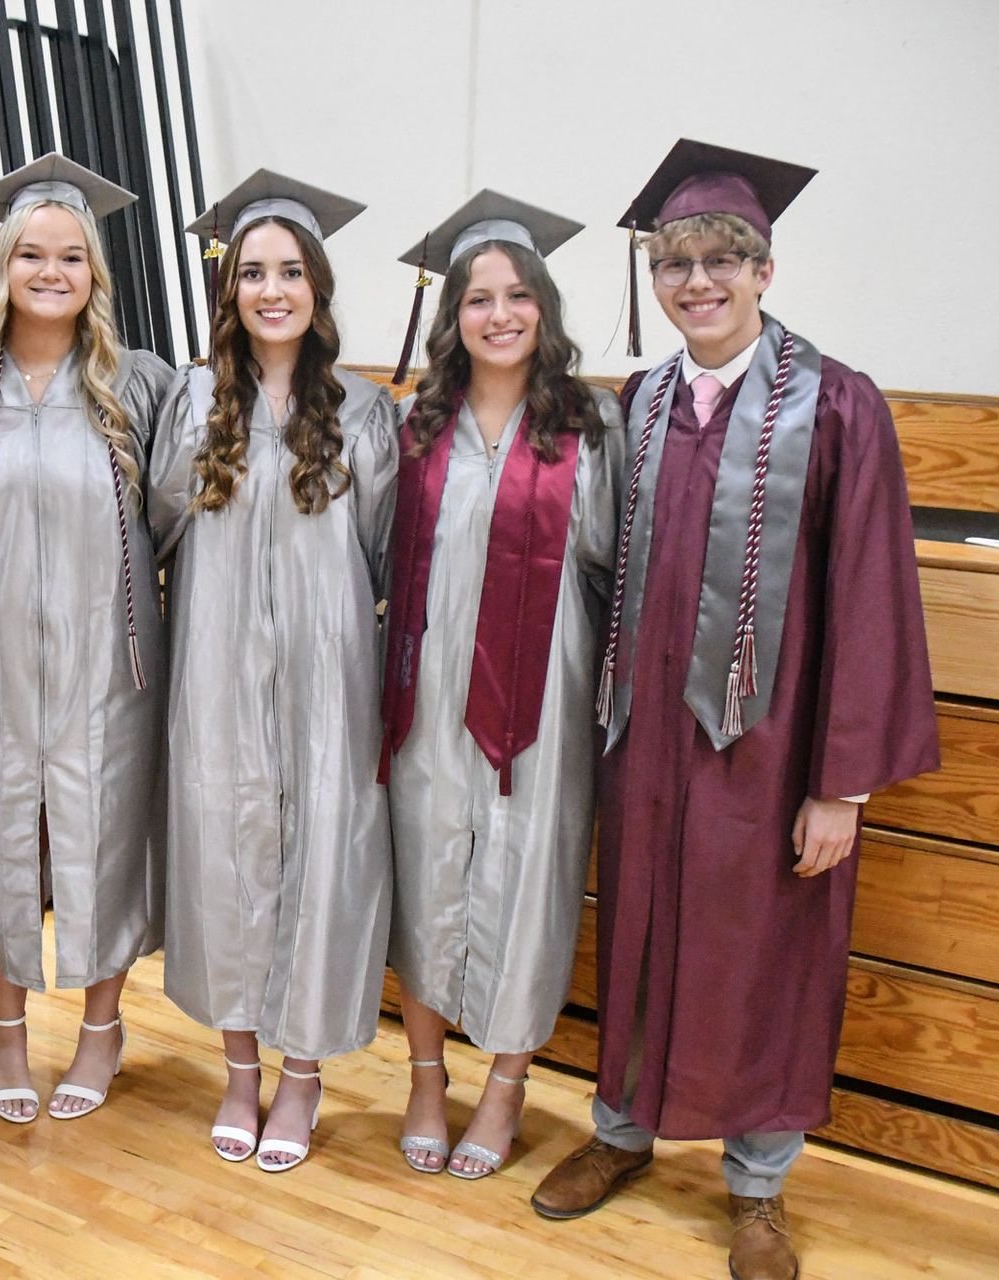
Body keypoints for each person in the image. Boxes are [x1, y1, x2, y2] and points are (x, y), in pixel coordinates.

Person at [529, 140, 938, 1280]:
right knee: (645, 928)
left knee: (769, 958)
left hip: (771, 754)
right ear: (654, 278)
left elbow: (871, 598)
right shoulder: (644, 404)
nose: (697, 282)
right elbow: (602, 572)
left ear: (765, 267)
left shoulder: (838, 403)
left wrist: (841, 785)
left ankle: (758, 1187)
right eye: (675, 263)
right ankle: (621, 1133)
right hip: (649, 741)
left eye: (721, 259)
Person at [0, 153, 176, 1124]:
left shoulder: (137, 387)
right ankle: (7, 1027)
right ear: (2, 264)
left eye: (71, 256)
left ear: (94, 274)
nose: (51, 271)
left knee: (104, 838)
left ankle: (102, 1030)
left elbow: (183, 517)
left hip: (111, 664)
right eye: (31, 253)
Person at [149, 172, 397, 1173]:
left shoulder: (367, 413)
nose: (272, 289)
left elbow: (382, 550)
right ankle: (240, 1066)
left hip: (329, 678)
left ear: (318, 286)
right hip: (214, 675)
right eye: (252, 272)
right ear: (230, 291)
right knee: (225, 856)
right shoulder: (194, 404)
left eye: (290, 270)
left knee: (322, 861)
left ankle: (302, 1072)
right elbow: (161, 524)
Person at [378, 193, 623, 1180]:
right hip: (428, 683)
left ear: (545, 308)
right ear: (454, 317)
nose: (500, 314)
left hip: (542, 688)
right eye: (479, 298)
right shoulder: (416, 422)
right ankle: (428, 1075)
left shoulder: (591, 423)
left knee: (530, 878)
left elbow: (611, 563)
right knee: (428, 867)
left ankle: (509, 1085)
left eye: (519, 295)